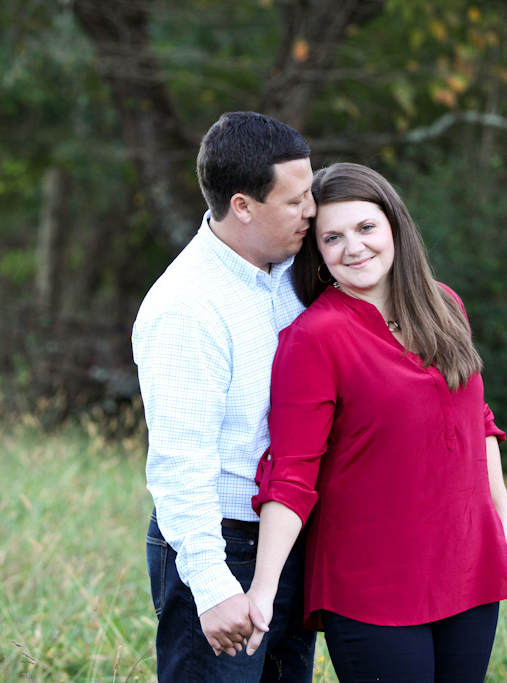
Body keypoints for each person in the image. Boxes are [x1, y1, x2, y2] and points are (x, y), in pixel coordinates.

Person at [244, 162, 507, 683]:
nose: (353, 248)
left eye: (365, 228)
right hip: (374, 582)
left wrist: (503, 520)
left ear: (394, 224)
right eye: (332, 237)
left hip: (468, 561)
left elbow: (477, 422)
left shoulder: (444, 306)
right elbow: (292, 471)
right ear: (319, 252)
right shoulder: (314, 338)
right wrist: (263, 588)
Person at [132, 112, 318, 682]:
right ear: (243, 205)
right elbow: (180, 462)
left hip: (287, 545)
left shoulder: (295, 273)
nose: (312, 210)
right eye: (296, 200)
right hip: (221, 547)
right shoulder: (187, 307)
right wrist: (212, 587)